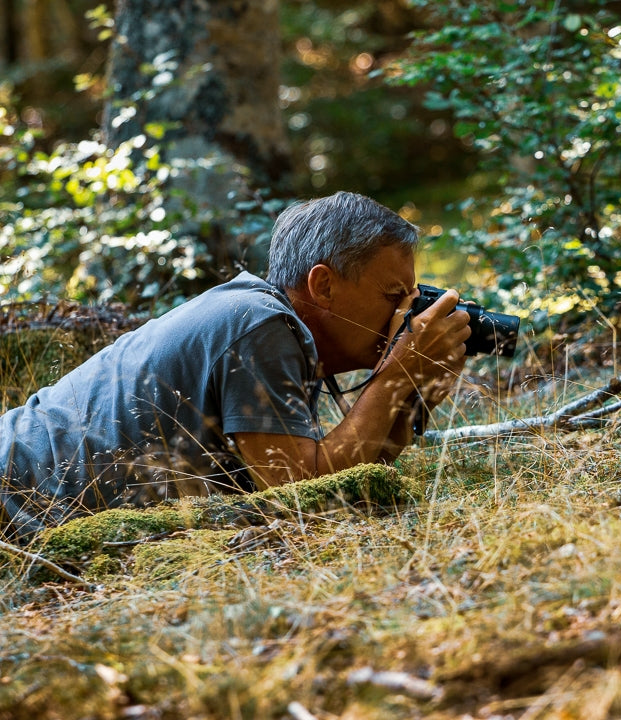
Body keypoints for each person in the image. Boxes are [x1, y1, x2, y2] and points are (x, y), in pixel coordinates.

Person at [0, 192, 471, 540]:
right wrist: (395, 374)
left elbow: (351, 485)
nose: (405, 317)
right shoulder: (259, 326)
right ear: (323, 285)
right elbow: (300, 497)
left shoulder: (265, 321)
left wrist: (413, 393)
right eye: (394, 297)